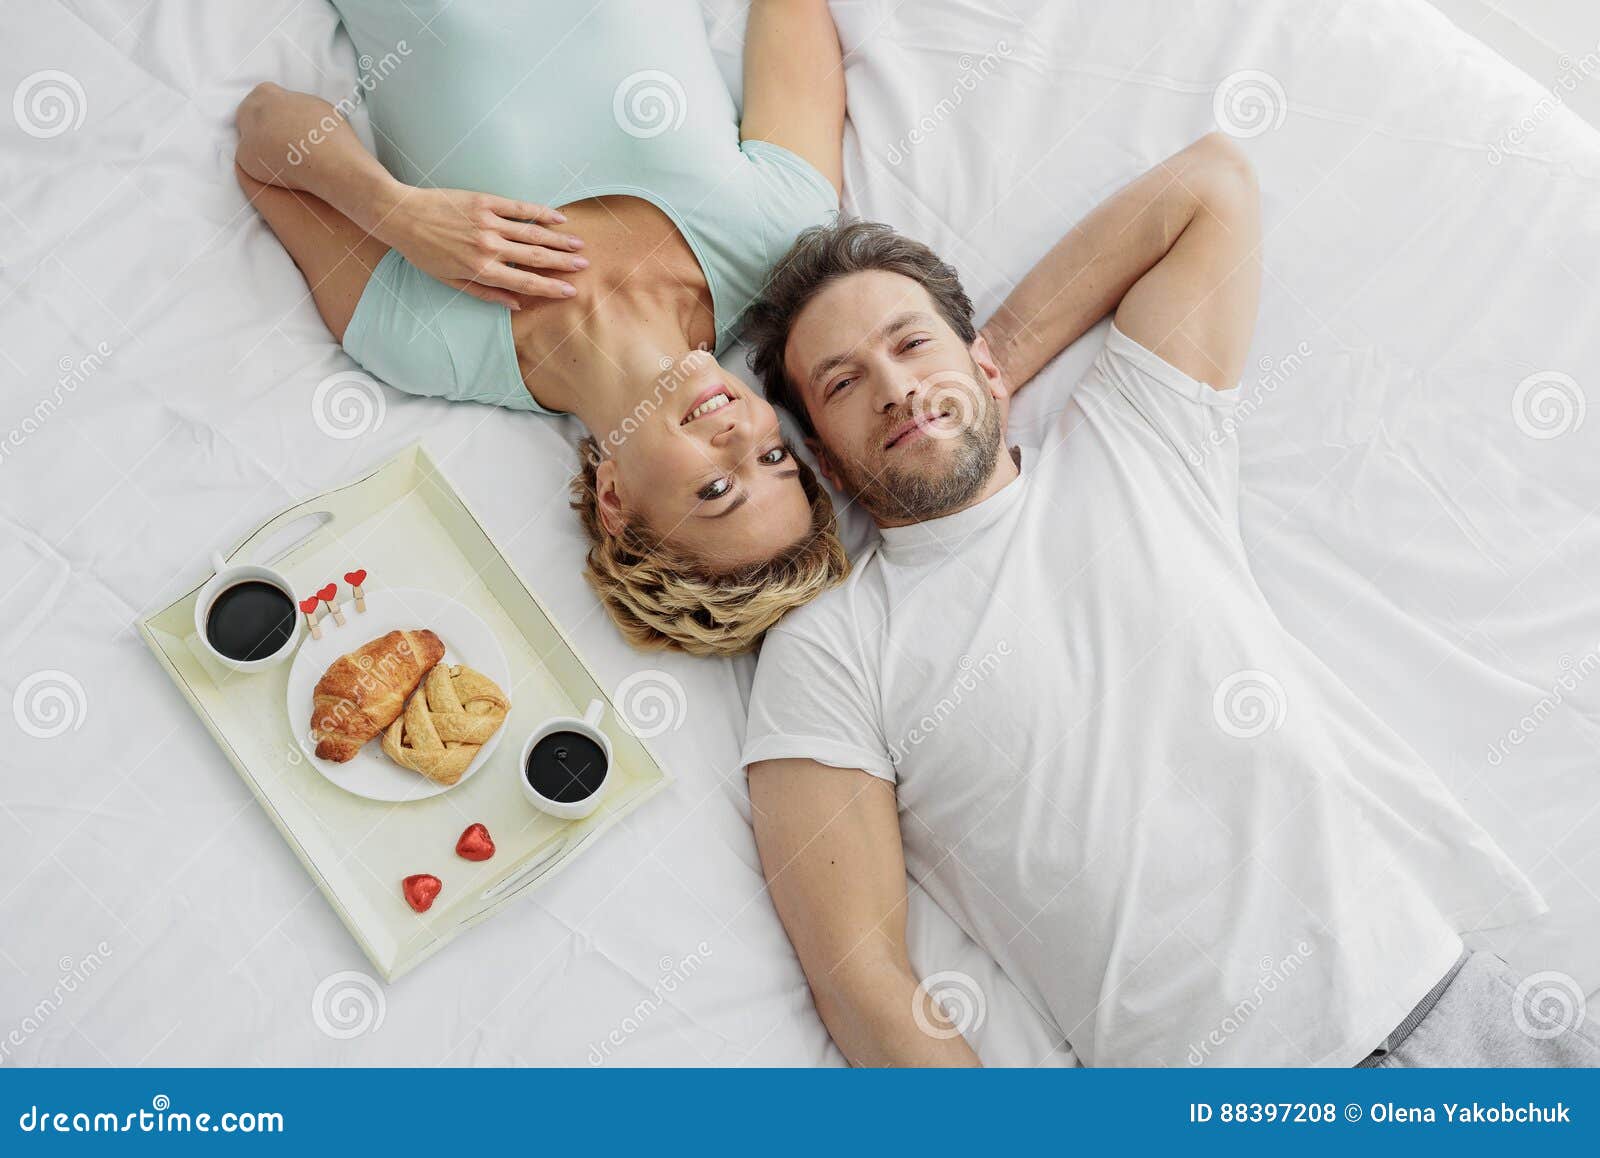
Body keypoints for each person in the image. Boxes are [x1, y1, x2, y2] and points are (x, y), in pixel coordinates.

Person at [738, 133, 1597, 1066]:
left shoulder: (1131, 440)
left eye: (911, 346)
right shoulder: (829, 650)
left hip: (1451, 1013)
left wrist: (972, 385)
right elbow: (861, 983)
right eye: (845, 384)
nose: (896, 387)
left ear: (986, 363)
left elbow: (1211, 186)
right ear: (822, 455)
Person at [233, 0, 849, 656]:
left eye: (717, 488)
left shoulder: (426, 342)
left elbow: (263, 126)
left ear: (614, 501)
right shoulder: (778, 231)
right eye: (775, 456)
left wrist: (398, 214)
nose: (739, 438)